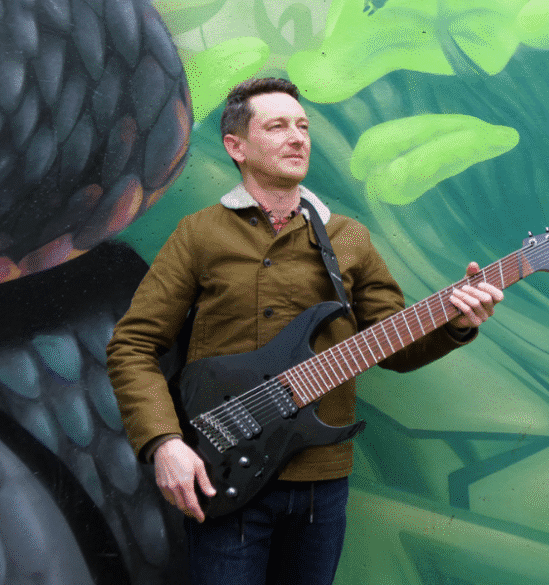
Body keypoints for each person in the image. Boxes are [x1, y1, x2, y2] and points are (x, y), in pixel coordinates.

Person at [106, 77, 503, 585]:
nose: (298, 138)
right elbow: (133, 345)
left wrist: (456, 324)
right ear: (236, 147)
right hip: (221, 473)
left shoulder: (348, 238)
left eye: (303, 126)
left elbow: (394, 345)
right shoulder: (199, 234)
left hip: (322, 486)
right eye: (277, 126)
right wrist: (164, 443)